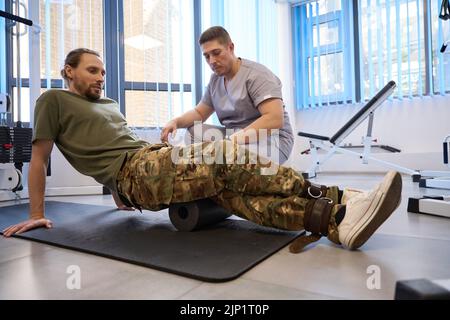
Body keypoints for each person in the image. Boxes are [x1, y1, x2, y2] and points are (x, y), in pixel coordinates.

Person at [2, 48, 402, 253]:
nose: (101, 77)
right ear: (68, 71)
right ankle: (341, 196)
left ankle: (334, 221)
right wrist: (37, 214)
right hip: (136, 172)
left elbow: (103, 146)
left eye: (104, 71)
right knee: (224, 153)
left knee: (230, 193)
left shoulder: (107, 104)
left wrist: (117, 194)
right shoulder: (52, 101)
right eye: (93, 70)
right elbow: (40, 158)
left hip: (144, 164)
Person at [161, 26, 294, 165]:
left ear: (230, 47)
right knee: (194, 131)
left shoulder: (258, 75)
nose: (212, 61)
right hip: (234, 138)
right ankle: (211, 168)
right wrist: (175, 122)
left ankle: (220, 164)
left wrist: (229, 143)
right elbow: (199, 113)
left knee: (228, 156)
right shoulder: (215, 80)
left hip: (271, 140)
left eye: (216, 53)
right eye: (207, 56)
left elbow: (274, 119)